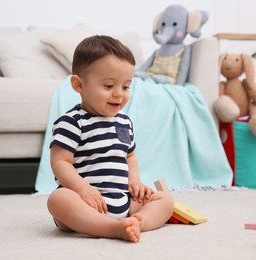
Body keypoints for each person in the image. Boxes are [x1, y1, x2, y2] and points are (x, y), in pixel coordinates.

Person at [47, 35, 174, 243]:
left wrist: (134, 181)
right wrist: (82, 189)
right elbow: (60, 162)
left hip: (123, 202)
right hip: (85, 203)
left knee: (165, 200)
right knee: (58, 200)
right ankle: (112, 228)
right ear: (78, 85)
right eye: (108, 86)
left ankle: (138, 222)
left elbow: (129, 155)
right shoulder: (72, 122)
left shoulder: (124, 121)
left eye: (125, 87)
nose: (119, 94)